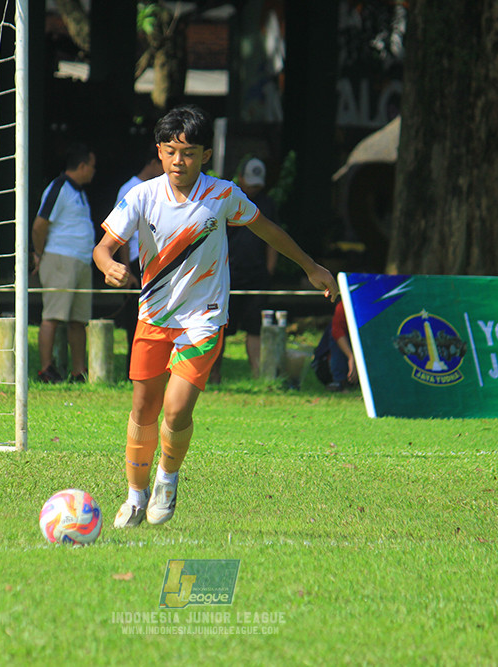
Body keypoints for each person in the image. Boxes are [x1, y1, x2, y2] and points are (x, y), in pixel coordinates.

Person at [93, 105, 337, 528]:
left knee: (175, 410)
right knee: (143, 408)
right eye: (170, 152)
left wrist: (310, 266)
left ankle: (167, 479)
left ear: (206, 155)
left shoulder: (223, 195)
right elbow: (103, 247)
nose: (177, 162)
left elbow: (267, 229)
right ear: (159, 151)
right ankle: (135, 495)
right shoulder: (142, 196)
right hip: (153, 318)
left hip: (203, 320)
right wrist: (107, 264)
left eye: (188, 153)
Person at [210, 156, 280, 382]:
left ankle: (260, 376)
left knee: (254, 328)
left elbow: (273, 240)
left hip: (257, 276)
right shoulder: (226, 200)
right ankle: (213, 374)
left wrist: (269, 269)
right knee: (220, 326)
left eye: (257, 184)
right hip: (228, 274)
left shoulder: (267, 204)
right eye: (250, 183)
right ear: (240, 178)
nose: (254, 188)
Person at [32, 143, 97, 383]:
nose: (94, 171)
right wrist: (39, 254)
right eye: (92, 166)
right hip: (60, 259)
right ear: (81, 166)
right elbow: (39, 225)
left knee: (79, 319)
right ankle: (46, 369)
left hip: (80, 261)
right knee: (53, 316)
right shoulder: (59, 187)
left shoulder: (79, 191)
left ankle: (78, 371)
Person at [112, 151, 164, 377]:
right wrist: (127, 269)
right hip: (135, 261)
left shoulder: (159, 189)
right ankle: (133, 372)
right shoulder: (131, 189)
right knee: (136, 320)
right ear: (153, 161)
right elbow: (120, 234)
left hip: (153, 261)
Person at [311, 300, 357, 391]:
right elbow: (337, 333)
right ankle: (339, 381)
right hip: (325, 366)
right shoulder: (345, 305)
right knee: (336, 335)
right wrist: (351, 357)